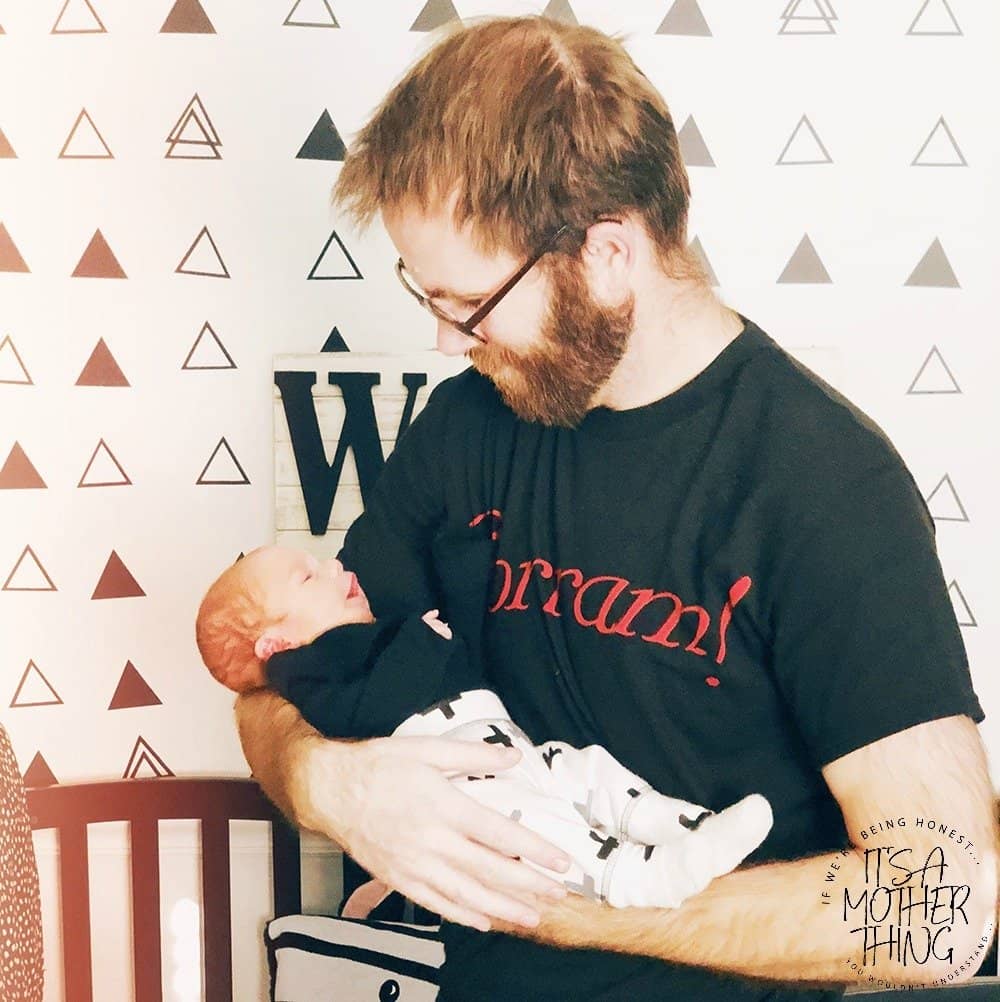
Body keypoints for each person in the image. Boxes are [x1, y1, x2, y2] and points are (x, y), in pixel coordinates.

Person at [235, 14, 999, 1002]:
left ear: (606, 253)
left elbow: (940, 910)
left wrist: (567, 906)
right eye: (429, 300)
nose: (445, 343)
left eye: (468, 306)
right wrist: (329, 787)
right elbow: (273, 679)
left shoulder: (823, 484)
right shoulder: (465, 427)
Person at [195, 544, 774, 913]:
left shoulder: (351, 643)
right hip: (468, 781)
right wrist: (423, 637)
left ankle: (677, 822)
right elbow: (370, 707)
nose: (336, 567)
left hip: (507, 748)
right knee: (537, 830)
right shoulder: (313, 669)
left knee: (588, 769)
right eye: (308, 577)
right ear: (276, 645)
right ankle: (640, 878)